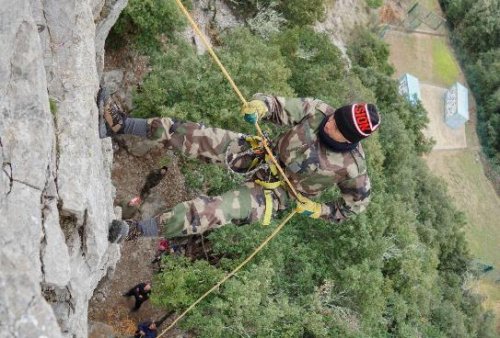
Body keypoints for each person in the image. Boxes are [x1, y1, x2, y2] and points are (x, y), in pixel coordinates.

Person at [99, 88, 381, 241]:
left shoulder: (353, 168)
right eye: (335, 117)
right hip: (264, 153)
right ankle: (121, 124)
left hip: (275, 193)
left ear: (349, 138)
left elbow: (353, 208)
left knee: (213, 211)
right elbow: (278, 106)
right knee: (194, 134)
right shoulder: (319, 112)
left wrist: (320, 210)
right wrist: (261, 106)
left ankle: (134, 230)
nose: (330, 122)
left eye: (337, 125)